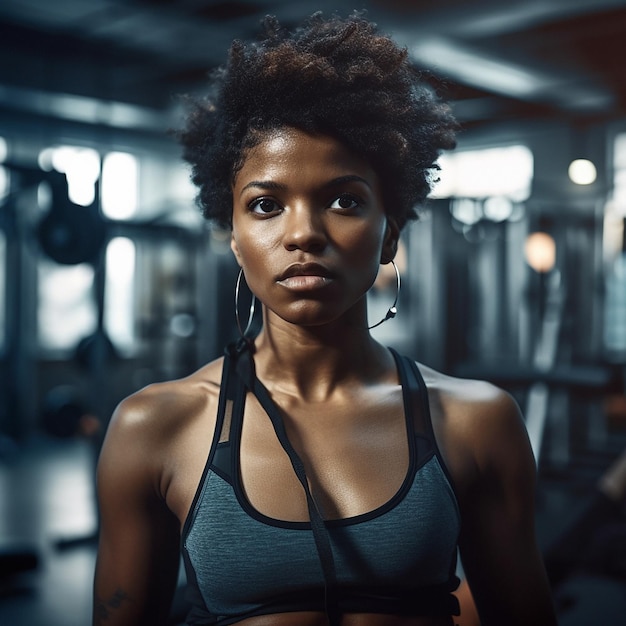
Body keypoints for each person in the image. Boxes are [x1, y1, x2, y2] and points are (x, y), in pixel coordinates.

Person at [92, 12, 558, 626]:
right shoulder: (154, 427)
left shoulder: (475, 422)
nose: (304, 233)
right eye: (266, 204)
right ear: (234, 238)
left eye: (344, 200)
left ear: (389, 235)